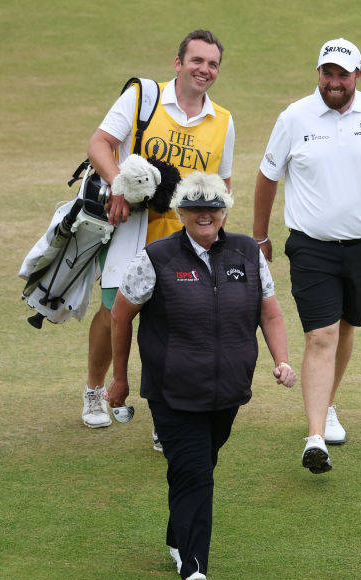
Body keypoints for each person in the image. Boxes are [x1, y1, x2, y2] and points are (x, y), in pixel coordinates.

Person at [105, 172, 297, 580]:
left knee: (197, 465)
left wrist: (281, 360)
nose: (204, 214)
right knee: (197, 475)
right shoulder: (155, 258)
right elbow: (120, 316)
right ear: (180, 213)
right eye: (194, 208)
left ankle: (177, 538)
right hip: (173, 393)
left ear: (224, 210)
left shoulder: (248, 253)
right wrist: (120, 379)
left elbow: (269, 312)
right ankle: (194, 569)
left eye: (212, 207)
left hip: (228, 391)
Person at [252, 38, 361, 473]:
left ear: (357, 76)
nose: (334, 82)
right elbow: (267, 175)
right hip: (311, 245)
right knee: (320, 335)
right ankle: (316, 438)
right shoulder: (294, 117)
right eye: (327, 73)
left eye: (342, 74)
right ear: (318, 74)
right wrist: (259, 237)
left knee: (347, 325)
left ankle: (327, 404)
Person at [81, 29, 236, 444]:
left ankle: (163, 416)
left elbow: (222, 184)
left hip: (184, 238)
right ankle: (95, 389)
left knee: (172, 324)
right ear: (178, 63)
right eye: (197, 60)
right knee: (115, 311)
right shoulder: (143, 98)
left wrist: (217, 236)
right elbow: (100, 145)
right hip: (131, 230)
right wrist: (117, 184)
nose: (204, 69)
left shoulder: (222, 121)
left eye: (213, 64)